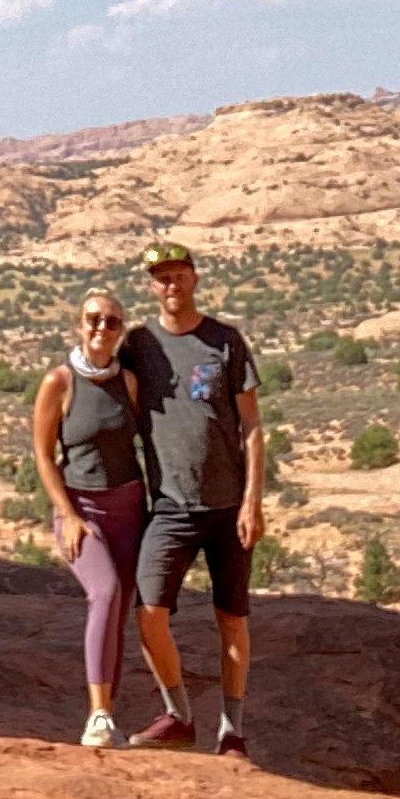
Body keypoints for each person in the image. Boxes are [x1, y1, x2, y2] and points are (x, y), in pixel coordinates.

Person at [119, 239, 266, 758]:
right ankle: (179, 714)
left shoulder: (224, 340)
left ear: (195, 278)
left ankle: (233, 729)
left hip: (228, 507)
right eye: (161, 276)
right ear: (151, 285)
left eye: (179, 273)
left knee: (232, 617)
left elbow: (251, 426)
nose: (171, 284)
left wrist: (253, 502)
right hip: (170, 507)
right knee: (149, 613)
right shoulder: (138, 344)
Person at [31, 289, 149, 749]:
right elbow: (42, 455)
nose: (102, 329)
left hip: (130, 509)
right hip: (82, 510)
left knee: (119, 612)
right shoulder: (59, 383)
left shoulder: (130, 383)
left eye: (113, 322)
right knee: (105, 592)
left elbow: (151, 445)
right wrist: (68, 515)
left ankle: (109, 716)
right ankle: (97, 716)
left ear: (121, 331)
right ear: (79, 325)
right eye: (94, 320)